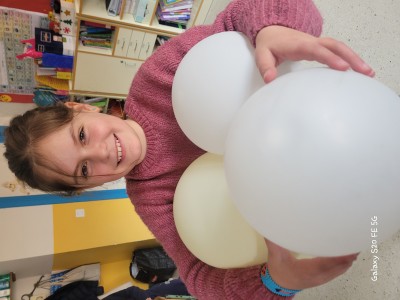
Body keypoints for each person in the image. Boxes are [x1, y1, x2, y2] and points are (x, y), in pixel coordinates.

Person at [4, 0, 375, 298]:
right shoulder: (151, 198)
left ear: (80, 108)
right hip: (333, 194)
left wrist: (271, 28)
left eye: (82, 136)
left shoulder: (157, 78)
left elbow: (238, 19)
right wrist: (274, 281)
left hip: (342, 123)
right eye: (83, 171)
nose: (100, 154)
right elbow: (199, 276)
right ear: (85, 188)